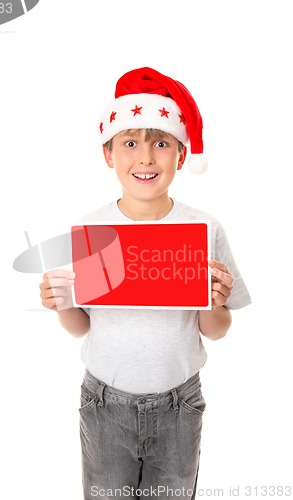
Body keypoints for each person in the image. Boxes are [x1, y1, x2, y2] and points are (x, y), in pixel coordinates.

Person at [39, 67, 251, 500]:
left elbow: (217, 329)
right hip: (103, 403)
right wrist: (63, 303)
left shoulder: (205, 229)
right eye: (130, 143)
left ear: (181, 154)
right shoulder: (91, 229)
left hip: (179, 404)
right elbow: (83, 326)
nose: (146, 158)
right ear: (109, 155)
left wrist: (214, 300)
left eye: (161, 142)